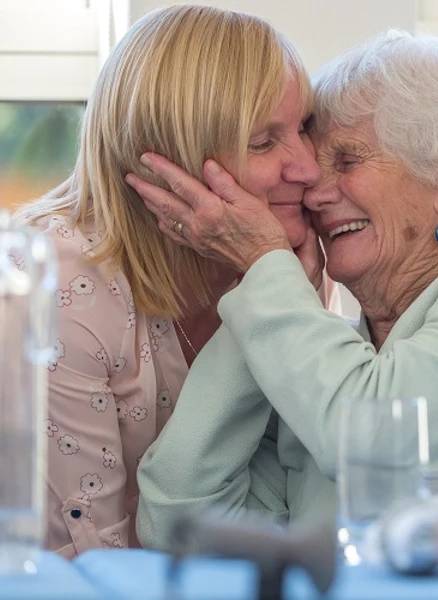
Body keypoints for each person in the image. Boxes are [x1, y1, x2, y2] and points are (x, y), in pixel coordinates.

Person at [129, 30, 438, 548]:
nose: (313, 189)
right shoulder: (325, 359)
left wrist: (267, 266)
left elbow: (370, 438)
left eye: (348, 160)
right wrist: (265, 285)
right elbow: (176, 517)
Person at [14, 5, 336, 556]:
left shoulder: (270, 257)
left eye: (304, 127)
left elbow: (275, 494)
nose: (307, 168)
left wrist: (272, 287)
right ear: (169, 160)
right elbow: (100, 562)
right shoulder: (57, 284)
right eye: (263, 142)